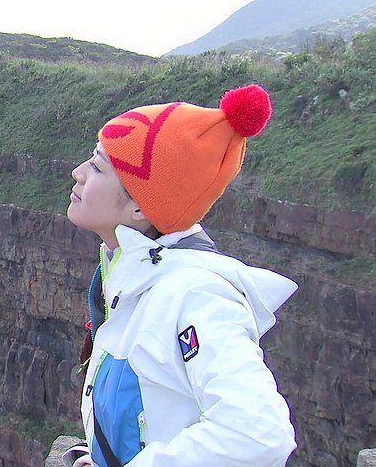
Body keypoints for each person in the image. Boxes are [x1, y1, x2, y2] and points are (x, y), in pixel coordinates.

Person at [65, 84, 297, 466]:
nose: (78, 173)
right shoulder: (132, 277)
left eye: (97, 166)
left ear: (141, 208)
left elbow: (259, 434)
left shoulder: (197, 295)